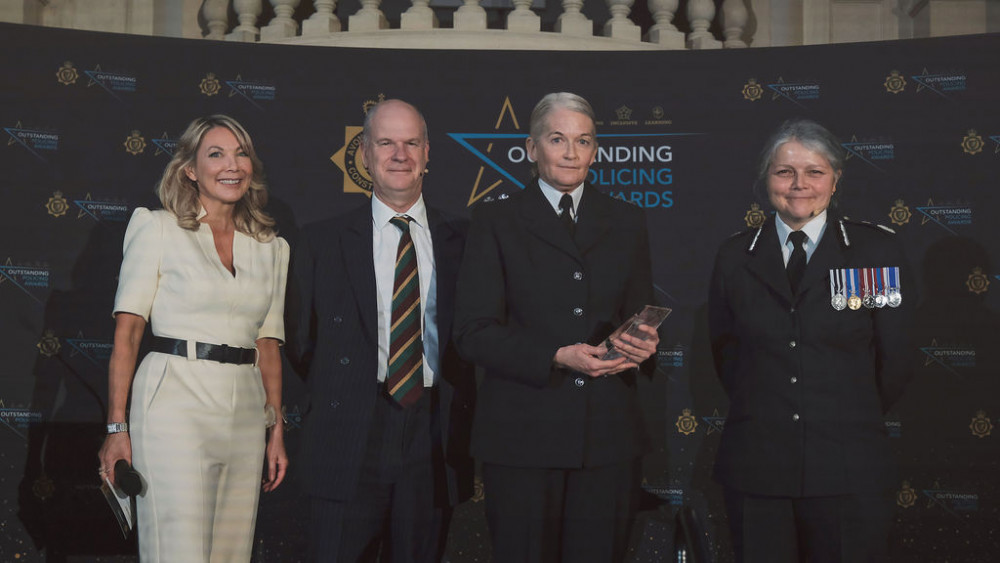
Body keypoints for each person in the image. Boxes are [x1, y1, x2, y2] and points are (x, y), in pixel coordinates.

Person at [453, 92, 660, 563]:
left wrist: (644, 345)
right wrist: (555, 354)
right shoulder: (495, 220)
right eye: (557, 139)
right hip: (523, 437)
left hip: (608, 439)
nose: (571, 152)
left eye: (583, 141)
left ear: (595, 150)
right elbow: (472, 331)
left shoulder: (626, 220)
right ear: (531, 148)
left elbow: (639, 315)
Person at [708, 118, 915, 562]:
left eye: (814, 172)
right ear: (766, 179)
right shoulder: (733, 256)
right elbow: (726, 357)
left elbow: (894, 361)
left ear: (836, 180)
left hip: (849, 467)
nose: (799, 184)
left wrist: (842, 416)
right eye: (785, 172)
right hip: (758, 469)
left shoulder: (874, 252)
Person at [286, 99, 475, 562]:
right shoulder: (320, 241)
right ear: (365, 155)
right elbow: (299, 343)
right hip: (347, 429)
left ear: (428, 153)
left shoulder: (467, 241)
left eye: (411, 143)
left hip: (433, 436)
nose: (400, 154)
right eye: (386, 143)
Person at [97, 114, 289, 561]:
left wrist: (275, 430)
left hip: (244, 409)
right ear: (189, 169)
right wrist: (116, 427)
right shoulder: (158, 228)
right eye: (216, 154)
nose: (232, 165)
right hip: (172, 403)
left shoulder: (270, 247)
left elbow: (269, 346)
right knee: (177, 550)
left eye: (241, 153)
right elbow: (127, 335)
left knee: (230, 552)